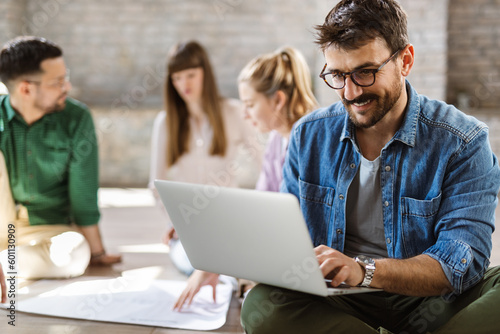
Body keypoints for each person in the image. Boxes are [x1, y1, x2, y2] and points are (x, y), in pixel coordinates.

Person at [240, 1, 500, 333]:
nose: (350, 92)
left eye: (365, 72)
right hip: (340, 298)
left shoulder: (463, 141)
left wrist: (365, 270)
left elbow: (461, 263)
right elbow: (288, 240)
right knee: (262, 304)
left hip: (430, 300)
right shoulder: (308, 135)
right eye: (337, 74)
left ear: (405, 61)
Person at [173, 46, 318, 310]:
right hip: (279, 249)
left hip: (303, 257)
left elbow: (293, 227)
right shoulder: (276, 140)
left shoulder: (308, 140)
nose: (244, 113)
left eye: (250, 104)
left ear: (278, 100)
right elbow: (260, 206)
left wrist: (222, 258)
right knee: (190, 255)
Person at [0, 36, 121, 281]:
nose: (67, 87)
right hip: (4, 226)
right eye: (57, 82)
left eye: (65, 78)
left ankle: (7, 264)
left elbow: (83, 194)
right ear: (25, 88)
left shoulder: (77, 119)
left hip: (52, 230)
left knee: (76, 255)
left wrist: (96, 252)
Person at [149, 40, 262, 277]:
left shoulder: (234, 112)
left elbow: (266, 165)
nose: (183, 84)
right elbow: (156, 185)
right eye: (177, 78)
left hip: (231, 224)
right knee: (196, 266)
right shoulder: (165, 122)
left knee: (239, 265)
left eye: (190, 75)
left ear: (205, 74)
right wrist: (175, 222)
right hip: (189, 232)